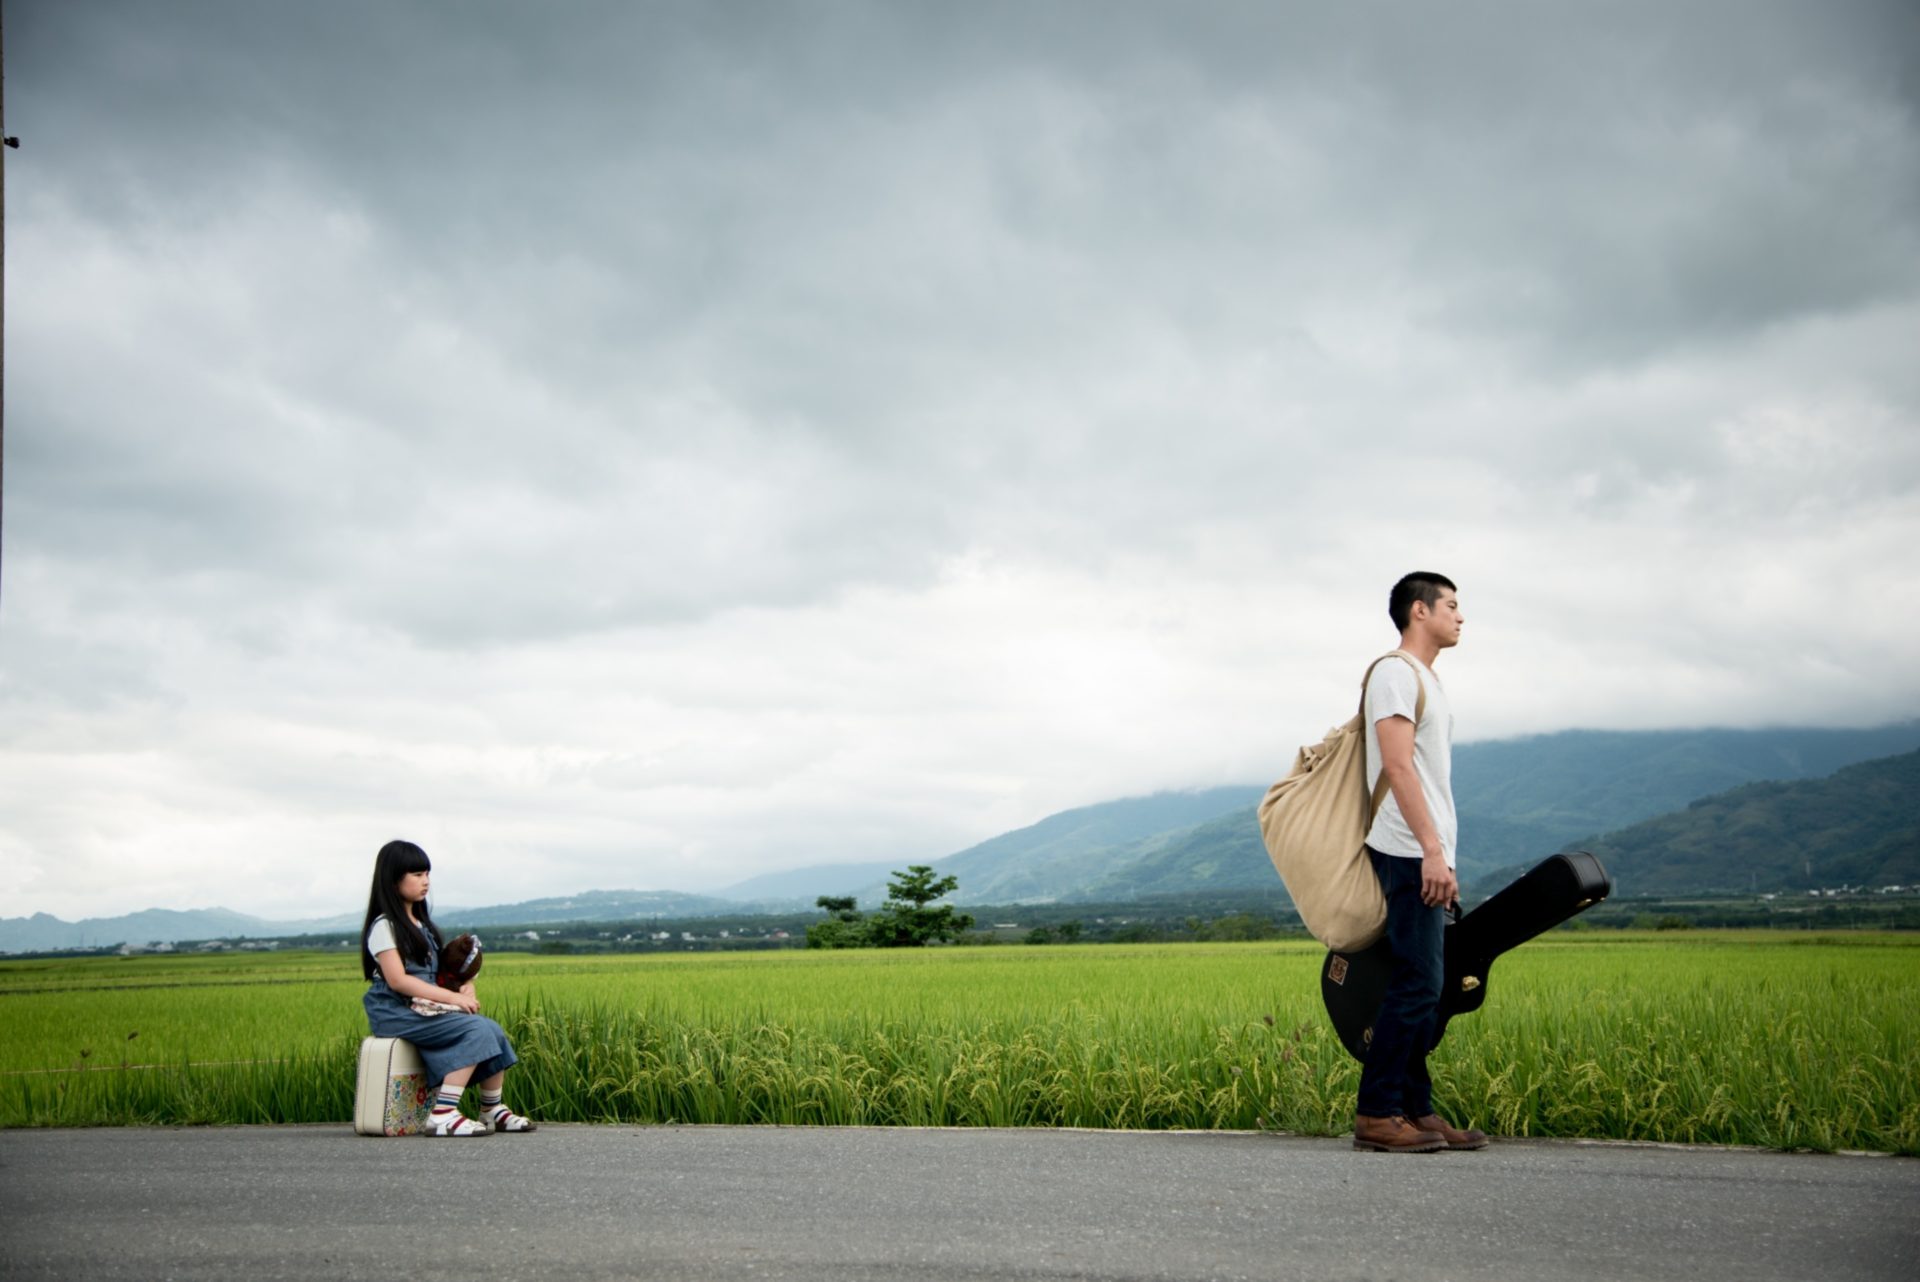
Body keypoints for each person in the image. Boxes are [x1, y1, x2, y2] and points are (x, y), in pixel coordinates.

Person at [1352, 572, 1489, 1154]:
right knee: (1420, 981)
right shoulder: (1394, 674)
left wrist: (1444, 854)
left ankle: (1415, 1109)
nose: (1460, 617)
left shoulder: (1426, 679)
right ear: (1419, 610)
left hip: (1427, 850)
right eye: (1451, 606)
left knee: (1423, 984)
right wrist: (1432, 851)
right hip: (1407, 848)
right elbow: (1399, 766)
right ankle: (1377, 1113)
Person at [361, 839, 536, 1137]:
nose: (425, 881)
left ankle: (490, 1109)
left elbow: (441, 973)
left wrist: (465, 986)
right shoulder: (385, 926)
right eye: (416, 874)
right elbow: (398, 981)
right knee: (476, 1030)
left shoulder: (422, 925)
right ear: (392, 880)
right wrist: (452, 998)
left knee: (490, 1028)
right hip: (396, 1009)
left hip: (423, 1006)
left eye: (427, 874)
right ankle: (442, 1114)